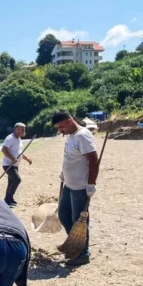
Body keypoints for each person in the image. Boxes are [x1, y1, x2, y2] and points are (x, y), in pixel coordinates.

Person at [52, 110, 99, 267]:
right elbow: (70, 157)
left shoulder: (83, 135)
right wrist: (64, 173)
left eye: (61, 127)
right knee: (64, 215)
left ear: (69, 121)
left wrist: (91, 184)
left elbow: (93, 160)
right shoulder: (71, 135)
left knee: (79, 220)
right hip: (69, 184)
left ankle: (82, 253)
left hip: (80, 186)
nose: (60, 131)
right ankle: (75, 245)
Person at [1, 123, 32, 207]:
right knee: (17, 180)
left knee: (11, 182)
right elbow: (3, 150)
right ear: (16, 129)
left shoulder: (19, 140)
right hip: (8, 164)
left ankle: (9, 199)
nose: (24, 131)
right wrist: (12, 159)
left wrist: (27, 159)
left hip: (15, 165)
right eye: (22, 129)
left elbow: (20, 153)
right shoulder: (10, 138)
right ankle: (8, 199)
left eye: (24, 129)